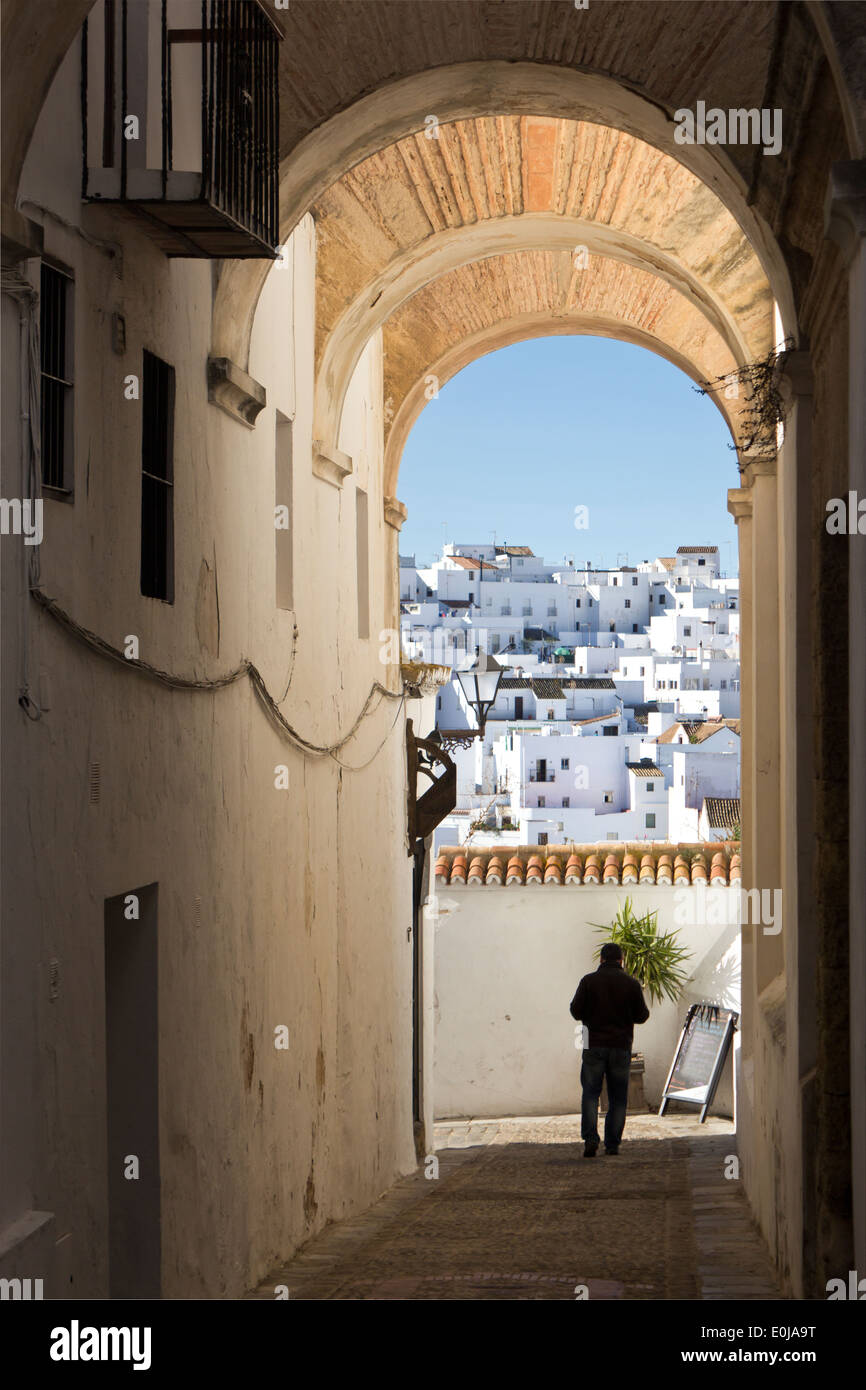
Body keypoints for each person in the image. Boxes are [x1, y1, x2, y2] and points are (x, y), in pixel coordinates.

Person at [570, 943, 649, 1157]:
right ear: (622, 960)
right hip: (620, 1045)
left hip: (592, 1044)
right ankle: (612, 1143)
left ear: (602, 959)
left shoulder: (588, 981)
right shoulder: (631, 984)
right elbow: (642, 1016)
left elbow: (575, 1011)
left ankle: (590, 1139)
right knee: (618, 1097)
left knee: (590, 1093)